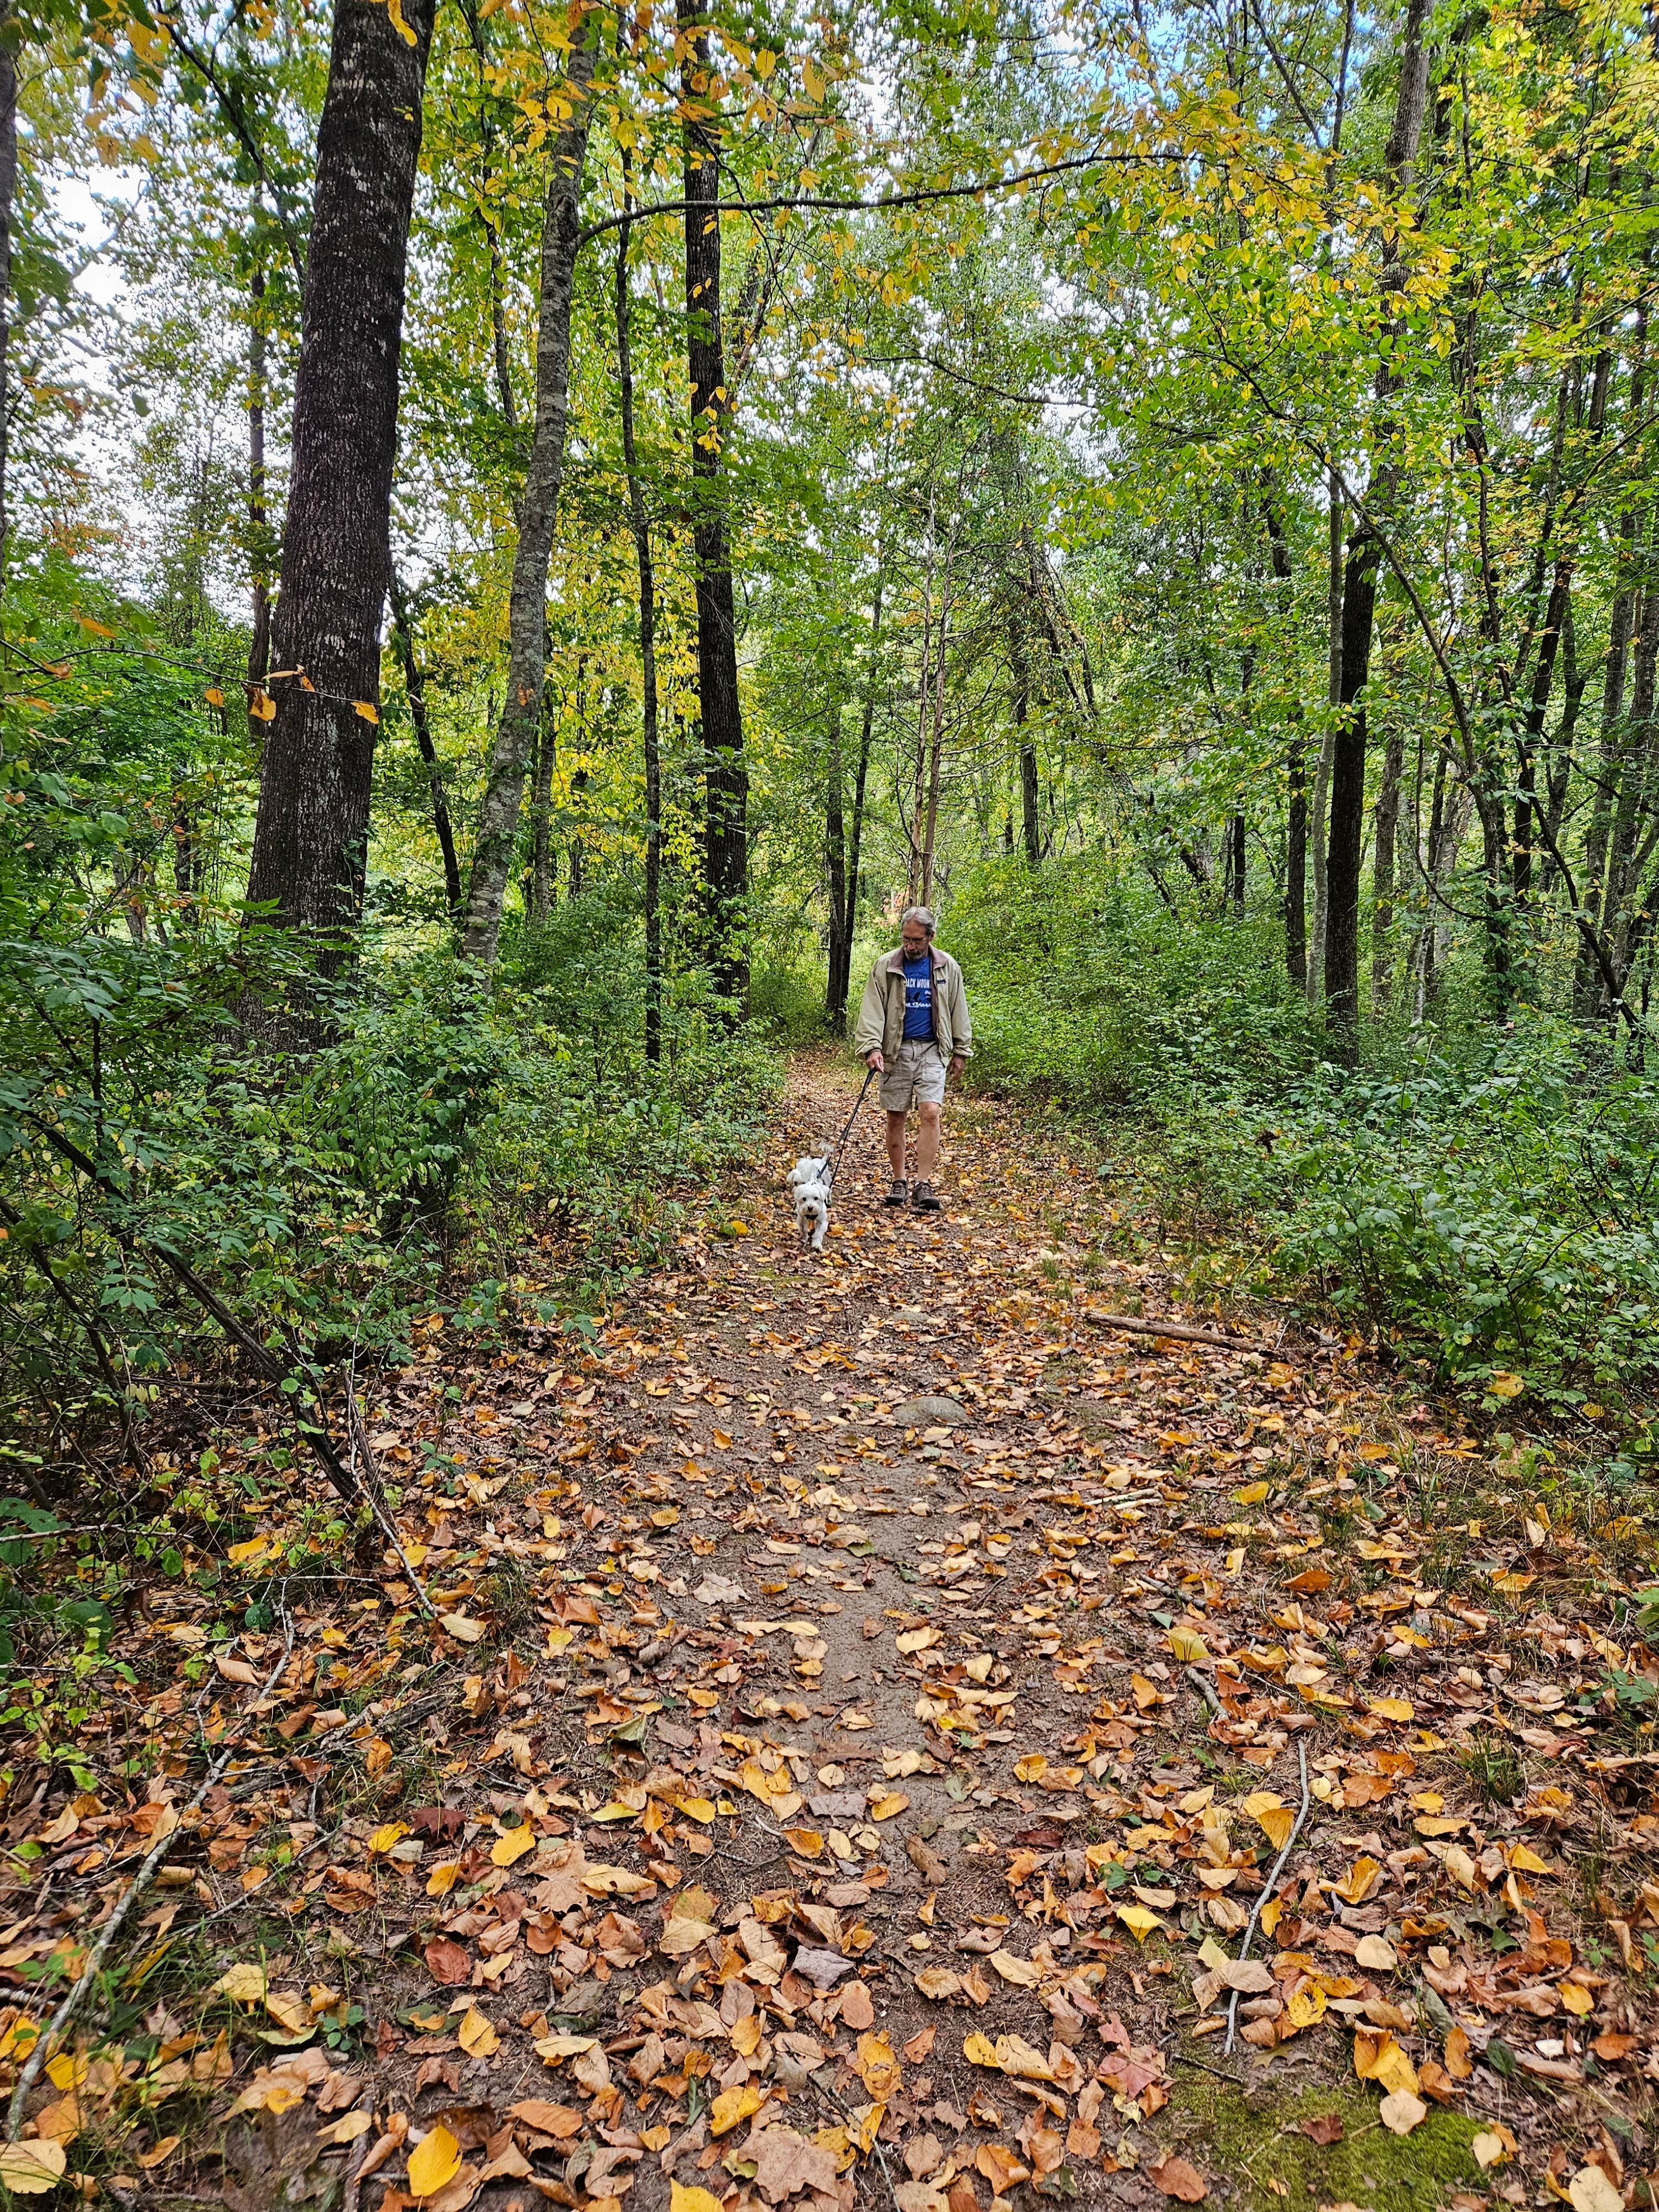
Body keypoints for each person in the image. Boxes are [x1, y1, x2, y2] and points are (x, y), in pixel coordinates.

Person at [853, 905, 972, 1211]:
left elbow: (958, 1009)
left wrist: (961, 1050)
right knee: (896, 1115)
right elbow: (872, 1010)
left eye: (917, 940)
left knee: (931, 1111)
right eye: (906, 939)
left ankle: (923, 1183)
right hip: (896, 1050)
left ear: (931, 937)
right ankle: (899, 1181)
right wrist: (872, 1048)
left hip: (933, 1048)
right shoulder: (886, 966)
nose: (910, 946)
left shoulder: (947, 967)